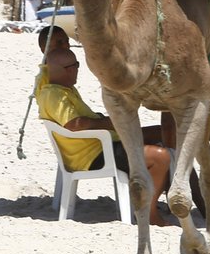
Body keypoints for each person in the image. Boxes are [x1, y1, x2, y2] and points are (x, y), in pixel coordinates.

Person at [37, 48, 173, 226]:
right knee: (161, 157)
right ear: (68, 70)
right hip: (94, 155)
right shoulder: (54, 95)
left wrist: (106, 120)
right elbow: (74, 125)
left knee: (161, 132)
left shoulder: (64, 90)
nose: (78, 69)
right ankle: (150, 213)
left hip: (102, 144)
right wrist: (112, 122)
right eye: (76, 65)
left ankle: (159, 196)